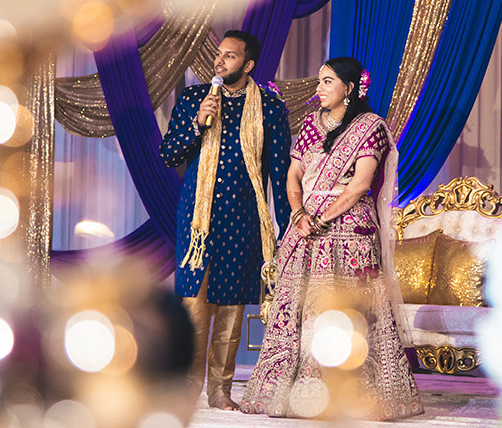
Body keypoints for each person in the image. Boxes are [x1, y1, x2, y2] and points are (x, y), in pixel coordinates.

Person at [240, 57, 423, 420]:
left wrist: (320, 218)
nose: (319, 88)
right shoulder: (310, 124)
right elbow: (293, 176)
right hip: (305, 227)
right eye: (320, 81)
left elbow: (359, 185)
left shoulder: (369, 127)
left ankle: (357, 395)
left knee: (350, 311)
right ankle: (294, 393)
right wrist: (298, 214)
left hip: (349, 229)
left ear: (349, 89)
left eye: (327, 82)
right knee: (295, 311)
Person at [159, 30, 291, 410]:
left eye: (230, 56)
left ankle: (220, 390)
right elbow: (169, 154)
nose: (220, 61)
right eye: (219, 54)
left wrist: (284, 229)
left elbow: (278, 172)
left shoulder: (268, 107)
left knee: (232, 306)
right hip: (198, 221)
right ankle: (183, 390)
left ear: (248, 65)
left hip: (244, 218)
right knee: (193, 304)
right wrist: (197, 123)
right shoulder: (192, 99)